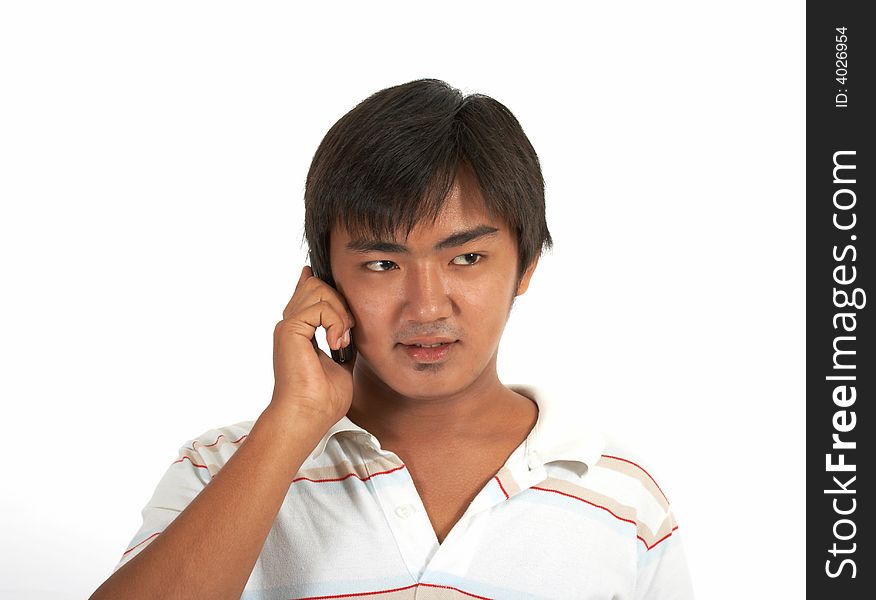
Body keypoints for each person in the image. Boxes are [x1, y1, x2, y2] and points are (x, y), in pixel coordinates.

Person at [91, 79, 694, 599]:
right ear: (322, 279)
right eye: (382, 264)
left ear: (527, 264)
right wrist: (291, 423)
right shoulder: (221, 467)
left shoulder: (621, 497)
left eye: (467, 257)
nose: (426, 305)